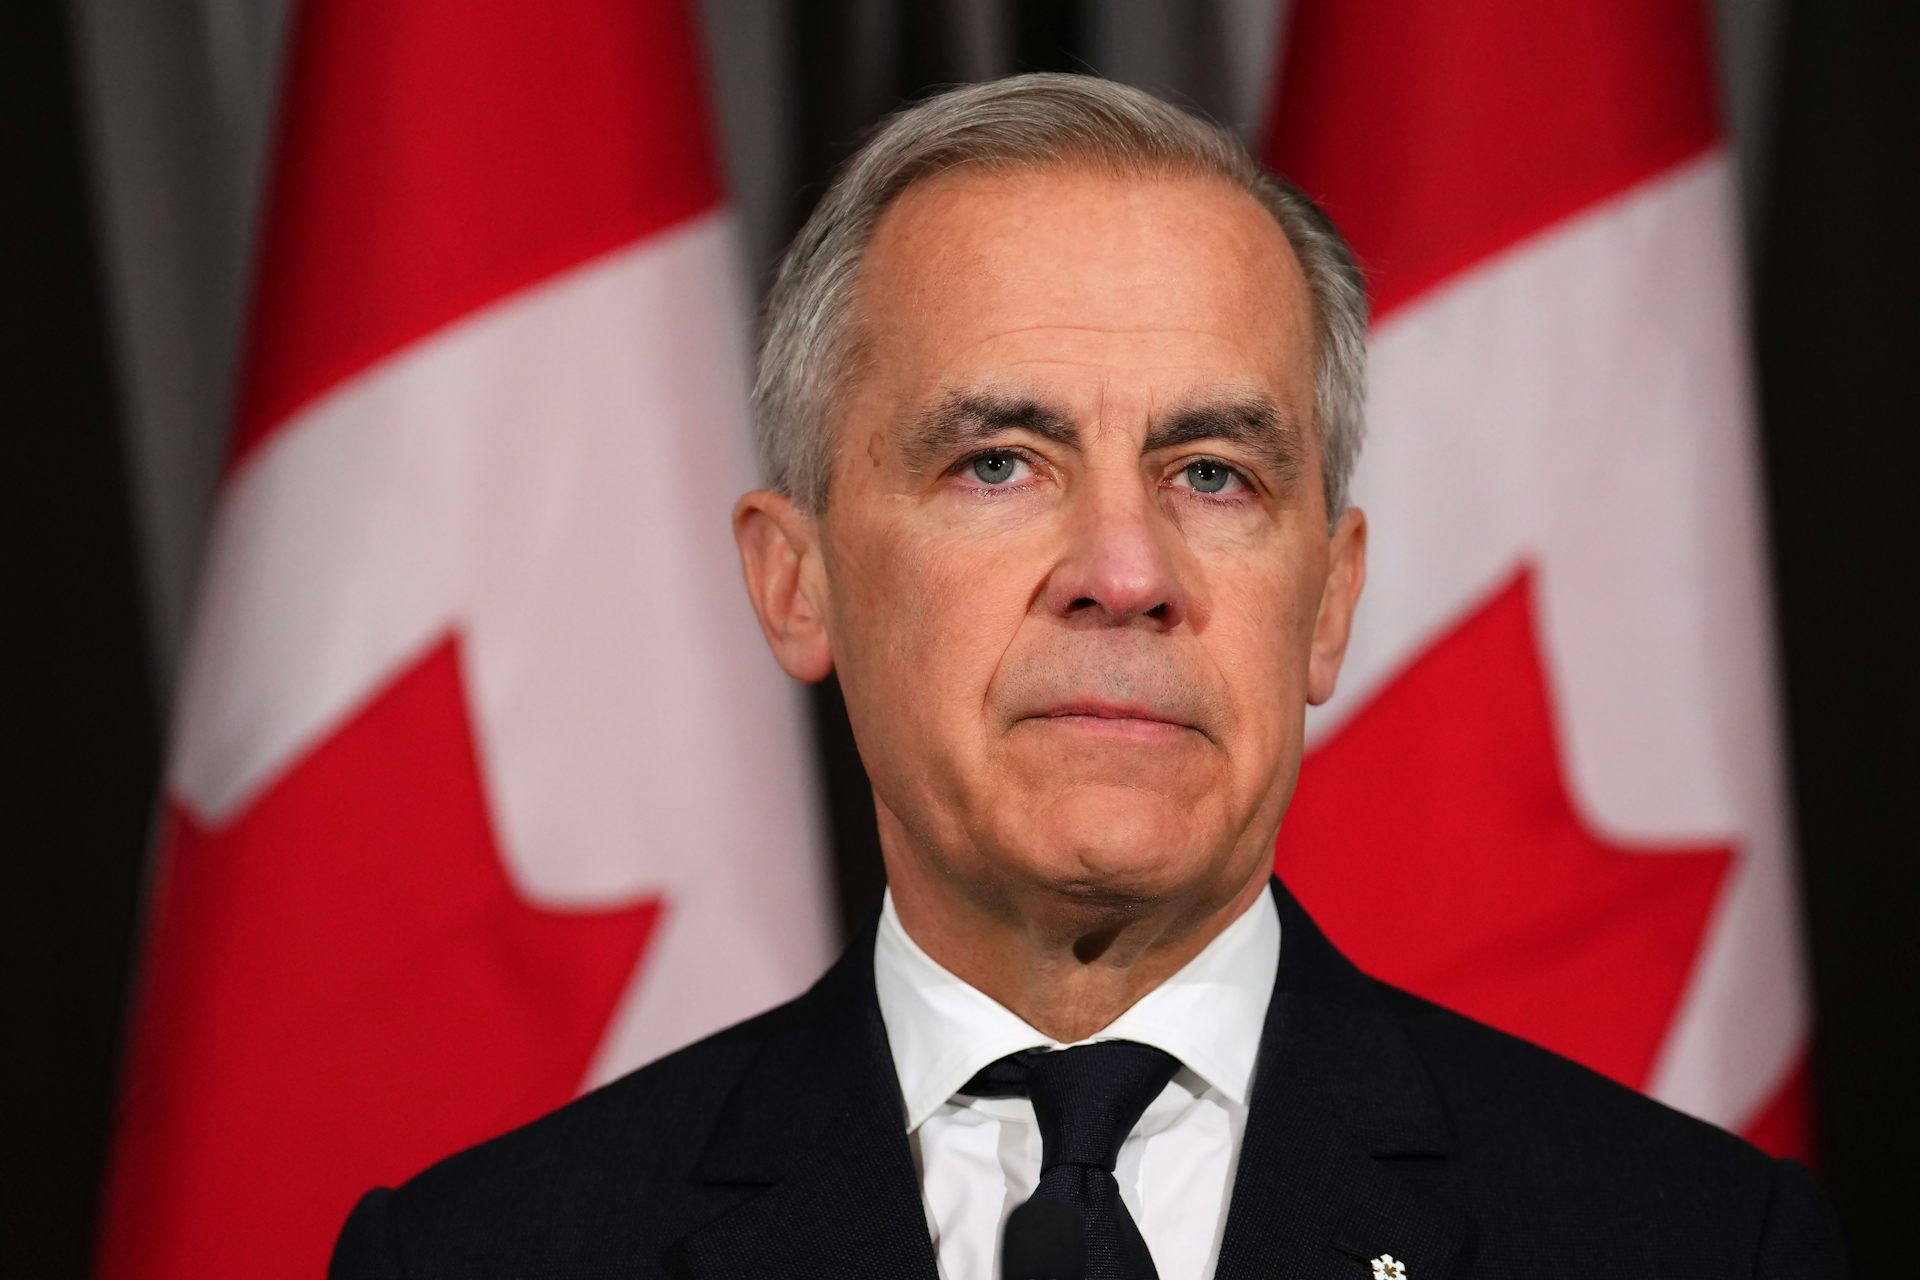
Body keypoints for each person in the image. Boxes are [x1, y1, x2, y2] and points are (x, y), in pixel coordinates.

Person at [330, 74, 1847, 1280]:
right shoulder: (481, 1254)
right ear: (798, 584)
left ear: (1327, 604)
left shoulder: (1693, 1243)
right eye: (1000, 462)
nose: (1125, 570)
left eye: (1213, 472)